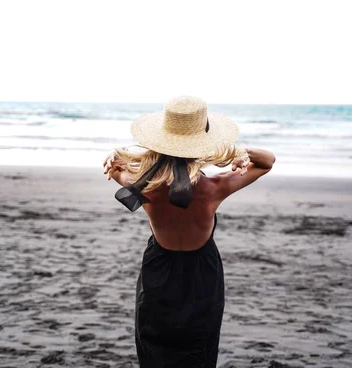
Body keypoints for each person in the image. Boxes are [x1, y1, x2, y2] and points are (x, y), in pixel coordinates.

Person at [103, 96, 275, 367]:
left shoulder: (144, 187)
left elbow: (115, 168)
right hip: (202, 273)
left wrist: (116, 157)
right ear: (202, 145)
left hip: (159, 270)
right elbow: (267, 162)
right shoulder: (216, 187)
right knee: (200, 344)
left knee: (154, 342)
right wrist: (236, 151)